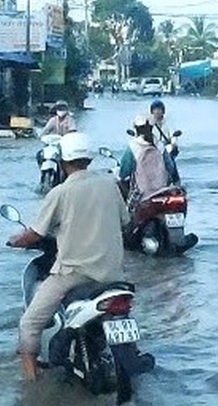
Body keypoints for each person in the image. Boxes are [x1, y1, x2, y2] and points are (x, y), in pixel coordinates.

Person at [7, 132, 129, 380]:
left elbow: (35, 234)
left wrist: (16, 240)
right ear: (89, 159)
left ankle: (30, 385)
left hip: (74, 275)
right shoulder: (110, 185)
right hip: (112, 274)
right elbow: (125, 222)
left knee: (29, 324)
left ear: (63, 162)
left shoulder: (60, 193)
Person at [119, 115, 171, 200]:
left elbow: (124, 173)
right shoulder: (160, 145)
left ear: (136, 129)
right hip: (162, 191)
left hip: (142, 193)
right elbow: (171, 168)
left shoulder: (133, 146)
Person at [148, 99, 181, 184]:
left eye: (160, 109)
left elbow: (173, 134)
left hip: (166, 147)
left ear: (163, 111)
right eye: (155, 109)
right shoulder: (149, 123)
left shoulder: (168, 122)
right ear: (152, 111)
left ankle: (176, 182)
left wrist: (173, 143)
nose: (157, 111)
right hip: (153, 148)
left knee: (171, 163)